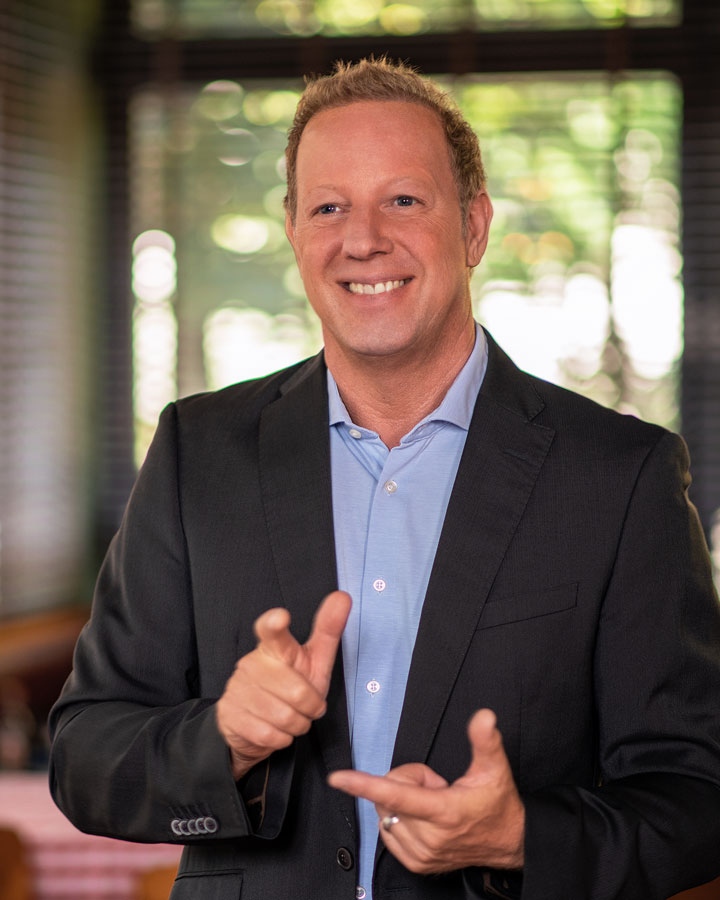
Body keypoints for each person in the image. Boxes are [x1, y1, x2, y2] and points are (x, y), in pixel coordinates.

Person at [49, 58, 720, 900]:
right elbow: (85, 757)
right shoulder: (198, 452)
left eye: (403, 199)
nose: (362, 238)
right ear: (294, 230)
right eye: (329, 206)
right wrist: (222, 737)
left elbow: (696, 797)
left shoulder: (621, 478)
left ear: (474, 227)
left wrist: (521, 838)